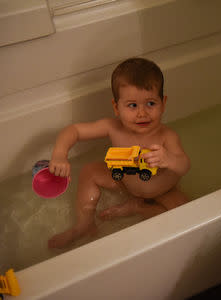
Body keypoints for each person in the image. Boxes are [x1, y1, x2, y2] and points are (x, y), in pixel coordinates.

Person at [47, 58, 190, 249]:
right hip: (124, 180)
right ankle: (83, 224)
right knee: (90, 171)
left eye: (150, 103)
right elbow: (75, 131)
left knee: (183, 213)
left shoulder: (166, 136)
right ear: (116, 107)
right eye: (132, 105)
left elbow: (184, 165)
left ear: (163, 103)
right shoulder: (113, 127)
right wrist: (59, 153)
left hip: (163, 191)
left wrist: (168, 159)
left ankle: (139, 207)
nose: (142, 113)